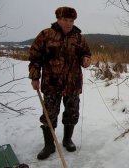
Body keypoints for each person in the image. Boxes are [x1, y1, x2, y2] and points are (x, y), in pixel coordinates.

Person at [28, 6, 92, 160]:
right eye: (65, 20)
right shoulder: (46, 35)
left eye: (71, 20)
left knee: (72, 113)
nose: (69, 23)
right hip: (52, 83)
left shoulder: (79, 37)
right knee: (49, 115)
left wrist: (86, 59)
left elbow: (86, 52)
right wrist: (35, 77)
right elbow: (35, 57)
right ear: (58, 19)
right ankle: (49, 145)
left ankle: (67, 139)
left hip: (73, 84)